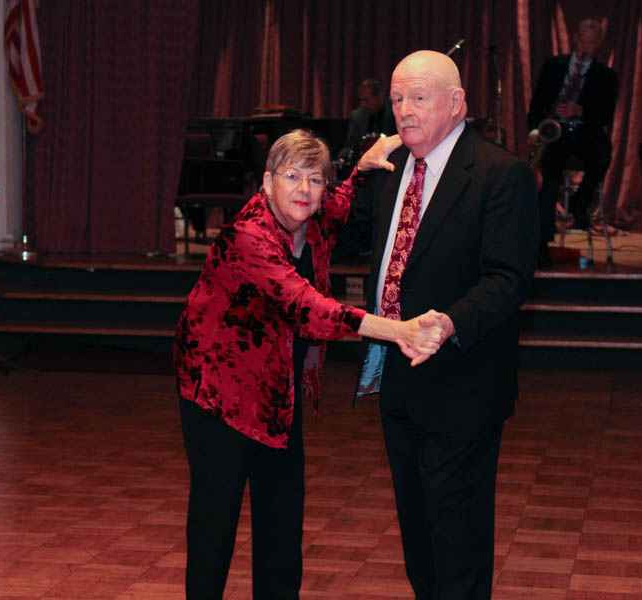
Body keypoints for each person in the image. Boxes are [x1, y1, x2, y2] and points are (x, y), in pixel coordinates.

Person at [174, 129, 446, 600]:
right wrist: (397, 330)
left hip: (277, 390)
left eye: (315, 180)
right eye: (291, 176)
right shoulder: (249, 234)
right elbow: (308, 309)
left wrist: (360, 168)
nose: (303, 189)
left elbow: (338, 204)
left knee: (282, 521)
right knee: (214, 523)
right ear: (266, 182)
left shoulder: (313, 220)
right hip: (219, 393)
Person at [341, 50, 538, 599]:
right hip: (396, 376)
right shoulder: (389, 170)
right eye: (398, 99)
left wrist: (449, 322)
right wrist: (355, 175)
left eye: (418, 98)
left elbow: (508, 279)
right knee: (419, 535)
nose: (403, 111)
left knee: (458, 537)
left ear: (457, 104)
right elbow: (349, 237)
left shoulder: (502, 173)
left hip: (461, 379)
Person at [528, 18, 618, 268]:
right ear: (575, 38)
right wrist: (535, 129)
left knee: (603, 155)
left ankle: (581, 204)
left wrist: (580, 110)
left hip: (586, 131)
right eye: (582, 41)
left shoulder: (606, 76)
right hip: (555, 133)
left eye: (591, 44)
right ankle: (542, 244)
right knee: (551, 179)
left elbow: (606, 115)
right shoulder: (554, 66)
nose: (585, 48)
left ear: (598, 44)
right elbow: (537, 103)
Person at [337, 78, 397, 166]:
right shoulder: (357, 116)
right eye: (361, 100)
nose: (363, 105)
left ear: (380, 96)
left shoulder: (395, 113)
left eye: (366, 100)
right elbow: (350, 145)